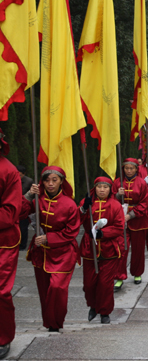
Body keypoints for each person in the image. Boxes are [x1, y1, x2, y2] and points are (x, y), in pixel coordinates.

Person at [23, 166, 80, 333]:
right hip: (41, 252)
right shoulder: (36, 200)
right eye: (47, 180)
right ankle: (49, 323)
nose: (50, 183)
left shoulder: (70, 204)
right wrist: (27, 195)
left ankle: (56, 321)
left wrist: (49, 238)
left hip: (63, 253)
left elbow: (72, 231)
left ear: (62, 181)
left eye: (54, 180)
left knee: (57, 288)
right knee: (44, 290)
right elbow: (18, 213)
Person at [79, 177, 125, 325]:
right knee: (89, 283)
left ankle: (105, 311)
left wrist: (104, 234)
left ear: (109, 189)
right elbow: (75, 220)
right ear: (95, 188)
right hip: (89, 247)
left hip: (108, 249)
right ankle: (93, 306)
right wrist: (83, 209)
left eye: (105, 187)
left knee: (105, 284)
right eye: (99, 187)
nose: (102, 190)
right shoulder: (86, 202)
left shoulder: (115, 205)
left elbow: (119, 227)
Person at [0, 131, 22, 359]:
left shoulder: (9, 171)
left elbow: (9, 213)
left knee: (0, 291)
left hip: (3, 241)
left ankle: (2, 338)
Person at [113, 158, 148, 289]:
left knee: (138, 249)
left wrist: (130, 215)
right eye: (126, 168)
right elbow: (110, 200)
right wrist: (117, 195)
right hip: (120, 220)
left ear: (136, 169)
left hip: (138, 220)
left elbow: (144, 203)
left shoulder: (141, 183)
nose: (129, 171)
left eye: (131, 168)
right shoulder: (117, 182)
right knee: (121, 248)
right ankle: (119, 276)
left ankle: (137, 273)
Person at [16, 165, 33, 251]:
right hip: (15, 205)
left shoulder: (29, 181)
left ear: (24, 174)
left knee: (23, 227)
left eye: (20, 175)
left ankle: (23, 245)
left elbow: (32, 195)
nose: (18, 176)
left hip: (24, 206)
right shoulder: (12, 179)